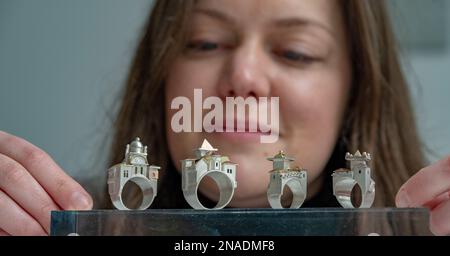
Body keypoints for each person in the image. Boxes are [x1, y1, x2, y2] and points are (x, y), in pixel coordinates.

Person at [0, 0, 449, 236]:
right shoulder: (54, 222)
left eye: (296, 52)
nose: (243, 76)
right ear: (160, 77)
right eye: (206, 42)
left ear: (357, 91)